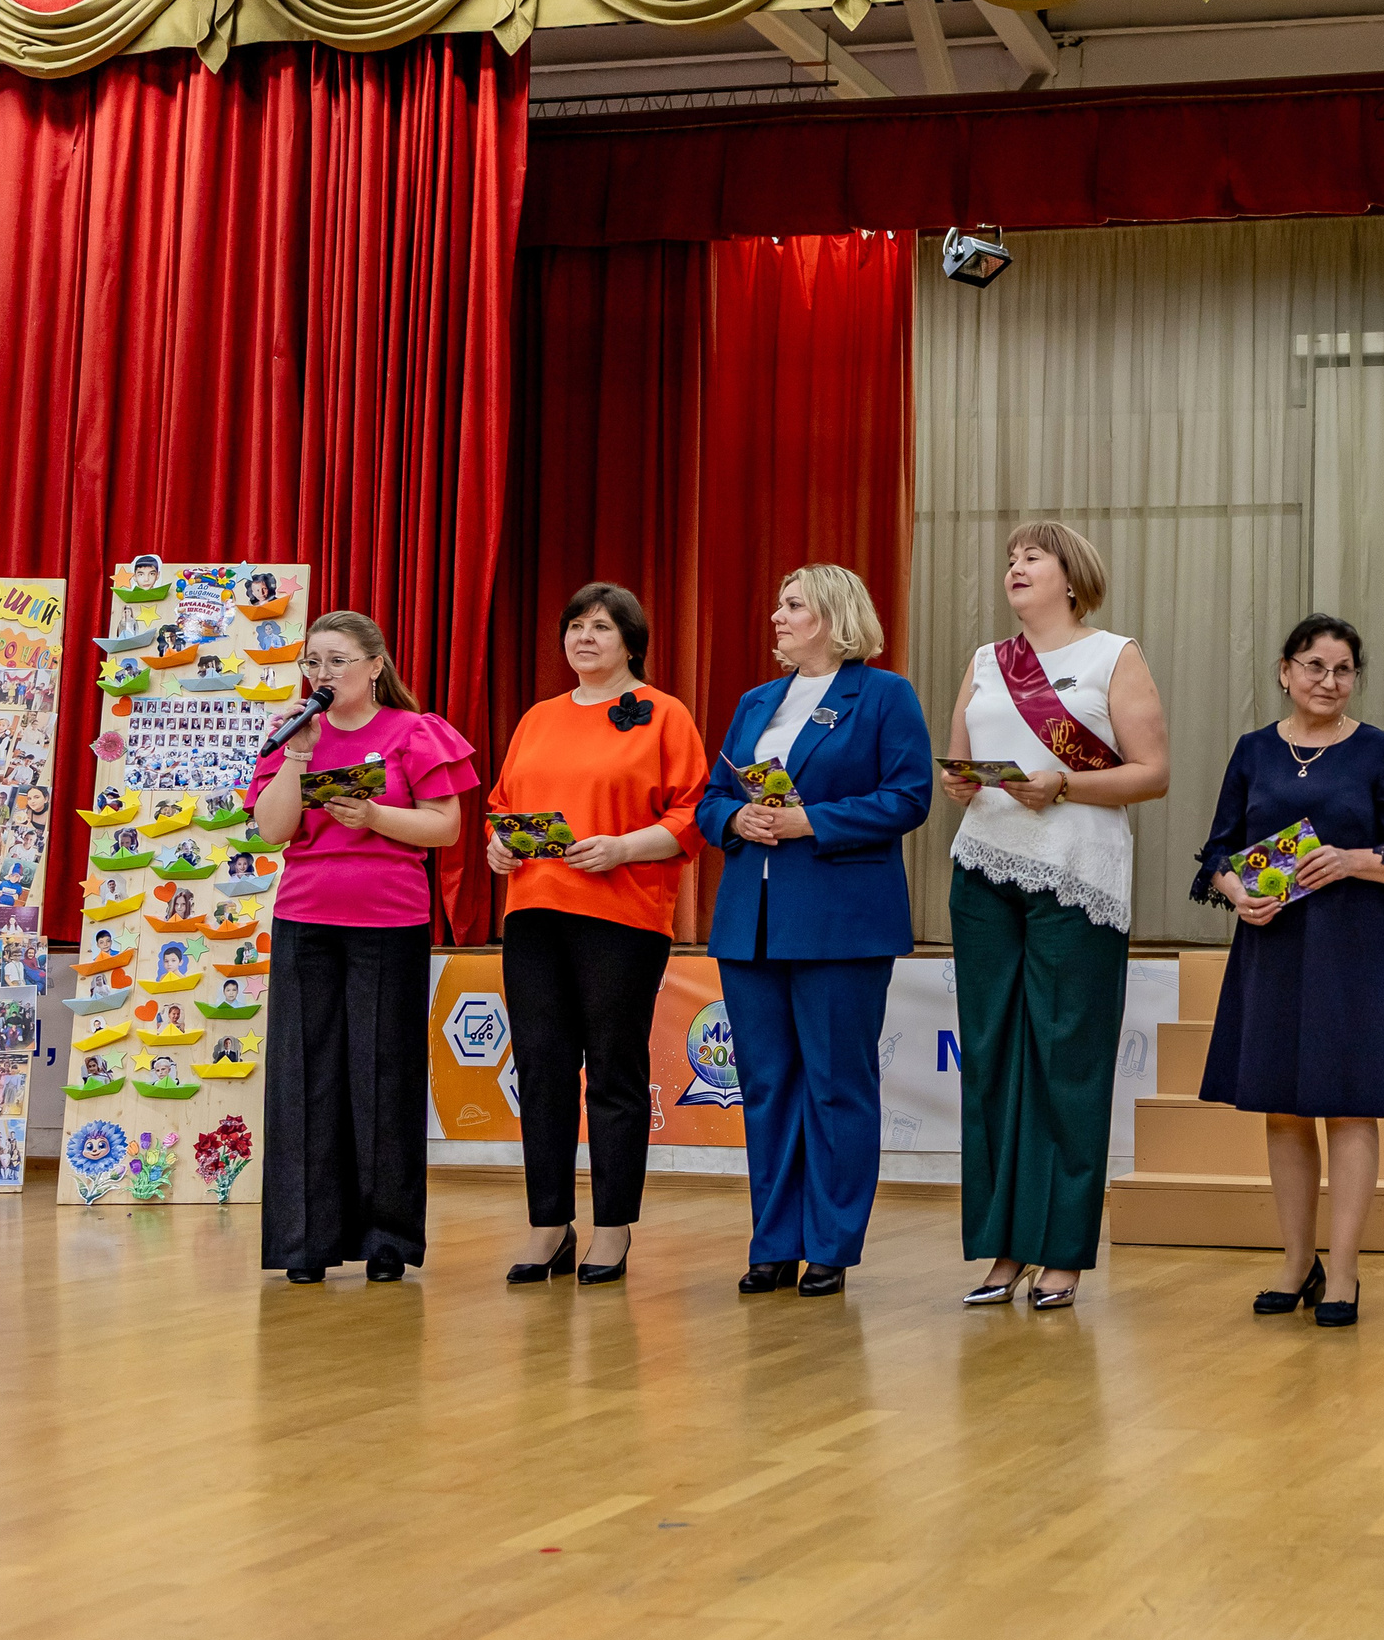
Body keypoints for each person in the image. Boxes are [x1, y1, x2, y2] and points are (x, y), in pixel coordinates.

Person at [941, 522, 1170, 1311]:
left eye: (1031, 557)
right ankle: (1004, 1245)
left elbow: (1152, 773)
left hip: (1077, 876)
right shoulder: (984, 661)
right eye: (1009, 559)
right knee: (993, 1057)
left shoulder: (1114, 655)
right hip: (984, 872)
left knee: (1067, 1061)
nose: (1016, 567)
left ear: (1072, 577)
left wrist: (1065, 784)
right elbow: (960, 764)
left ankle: (1062, 1249)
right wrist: (964, 784)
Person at [1192, 615, 1384, 1328]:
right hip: (1272, 945)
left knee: (1351, 1103)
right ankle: (1298, 1260)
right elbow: (1216, 853)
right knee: (1284, 1107)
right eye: (1314, 665)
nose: (1328, 681)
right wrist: (1237, 892)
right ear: (1284, 669)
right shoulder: (1253, 750)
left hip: (1350, 946)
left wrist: (1352, 860)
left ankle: (1346, 1268)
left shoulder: (1377, 750)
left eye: (1343, 669)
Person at [699, 566, 932, 1299]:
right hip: (751, 922)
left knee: (837, 1086)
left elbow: (909, 795)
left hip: (840, 921)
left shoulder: (884, 694)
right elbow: (708, 800)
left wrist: (811, 821)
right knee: (765, 1087)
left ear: (833, 616)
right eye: (779, 604)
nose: (776, 615)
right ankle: (774, 1240)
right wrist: (736, 818)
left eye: (792, 605)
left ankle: (830, 1243)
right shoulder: (755, 701)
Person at [486, 582, 709, 1288]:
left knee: (613, 1071)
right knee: (542, 1069)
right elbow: (503, 805)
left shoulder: (664, 716)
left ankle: (613, 1227)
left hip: (622, 915)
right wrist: (500, 846)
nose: (585, 638)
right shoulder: (538, 717)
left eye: (602, 627)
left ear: (631, 641)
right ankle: (548, 1222)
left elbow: (692, 814)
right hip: (534, 912)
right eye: (575, 625)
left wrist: (622, 848)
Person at [249, 610, 477, 1286]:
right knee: (302, 1075)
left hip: (389, 920)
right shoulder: (289, 732)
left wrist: (372, 815)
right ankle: (304, 1239)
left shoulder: (413, 732)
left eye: (337, 660)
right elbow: (269, 829)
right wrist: (296, 755)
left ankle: (388, 1237)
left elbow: (446, 828)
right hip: (305, 918)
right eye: (313, 661)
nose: (322, 674)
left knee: (384, 1075)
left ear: (375, 666)